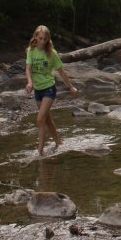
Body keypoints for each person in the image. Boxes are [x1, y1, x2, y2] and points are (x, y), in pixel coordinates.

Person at [24, 25, 78, 156]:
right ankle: (58, 141)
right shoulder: (31, 50)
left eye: (45, 39)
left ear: (48, 39)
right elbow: (28, 68)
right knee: (47, 119)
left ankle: (40, 151)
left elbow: (61, 71)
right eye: (40, 38)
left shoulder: (52, 53)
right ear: (35, 37)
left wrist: (71, 86)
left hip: (49, 89)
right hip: (38, 90)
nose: (42, 41)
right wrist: (30, 82)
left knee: (39, 119)